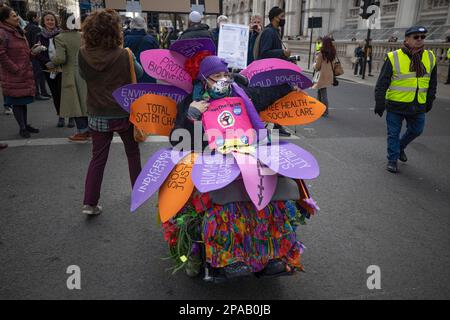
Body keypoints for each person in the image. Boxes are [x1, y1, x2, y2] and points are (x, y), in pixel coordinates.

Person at [168, 55, 308, 280]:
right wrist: (190, 117)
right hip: (212, 161)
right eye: (217, 77)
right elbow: (178, 140)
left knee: (271, 199)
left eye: (226, 75)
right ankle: (228, 260)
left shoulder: (241, 94)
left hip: (247, 158)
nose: (223, 80)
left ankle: (271, 256)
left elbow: (266, 95)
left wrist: (288, 83)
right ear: (204, 80)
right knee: (225, 207)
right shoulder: (190, 102)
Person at [78, 9, 143, 215]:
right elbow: (139, 73)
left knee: (97, 158)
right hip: (124, 111)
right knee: (132, 153)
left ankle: (90, 202)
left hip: (97, 112)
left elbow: (82, 75)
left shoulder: (83, 53)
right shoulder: (125, 54)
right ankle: (138, 191)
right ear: (115, 31)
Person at [374, 26, 437, 174]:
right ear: (407, 39)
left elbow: (432, 82)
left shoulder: (430, 57)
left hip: (418, 104)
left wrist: (430, 99)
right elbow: (382, 82)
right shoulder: (393, 57)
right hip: (396, 104)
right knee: (393, 134)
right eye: (416, 37)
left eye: (422, 37)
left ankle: (400, 147)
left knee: (417, 130)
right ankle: (392, 159)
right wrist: (379, 102)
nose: (420, 40)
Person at [0, 6, 41, 138]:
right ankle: (22, 128)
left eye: (16, 15)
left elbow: (22, 52)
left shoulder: (16, 30)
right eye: (13, 16)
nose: (17, 18)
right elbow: (1, 55)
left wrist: (32, 51)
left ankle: (24, 124)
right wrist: (15, 69)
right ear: (5, 19)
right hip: (14, 73)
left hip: (23, 71)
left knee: (22, 100)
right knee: (17, 101)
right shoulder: (2, 32)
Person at [51, 10, 89, 142]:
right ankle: (90, 130)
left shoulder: (60, 37)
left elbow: (60, 58)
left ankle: (82, 132)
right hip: (85, 72)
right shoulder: (83, 36)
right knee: (85, 102)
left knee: (75, 103)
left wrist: (52, 61)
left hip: (70, 74)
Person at [37, 11, 72, 128]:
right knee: (55, 94)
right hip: (49, 69)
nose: (50, 22)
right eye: (47, 20)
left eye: (52, 19)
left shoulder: (62, 34)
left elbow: (68, 50)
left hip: (63, 68)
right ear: (44, 22)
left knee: (66, 93)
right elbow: (37, 53)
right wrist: (46, 62)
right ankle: (61, 116)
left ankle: (71, 116)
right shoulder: (39, 36)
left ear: (56, 21)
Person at [124, 16, 159, 83]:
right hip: (149, 77)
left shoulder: (126, 40)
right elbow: (158, 59)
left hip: (131, 77)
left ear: (131, 25)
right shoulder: (151, 40)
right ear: (144, 25)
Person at [24, 10, 50, 101]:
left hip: (30, 53)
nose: (38, 18)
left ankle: (42, 92)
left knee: (37, 74)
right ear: (34, 17)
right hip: (36, 54)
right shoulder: (36, 28)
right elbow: (37, 42)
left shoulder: (26, 27)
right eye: (37, 17)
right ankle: (39, 93)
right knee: (39, 74)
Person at [312, 36, 337, 117]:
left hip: (321, 76)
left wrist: (314, 65)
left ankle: (324, 111)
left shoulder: (321, 54)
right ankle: (319, 109)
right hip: (329, 75)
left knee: (323, 93)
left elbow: (317, 67)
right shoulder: (333, 53)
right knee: (320, 92)